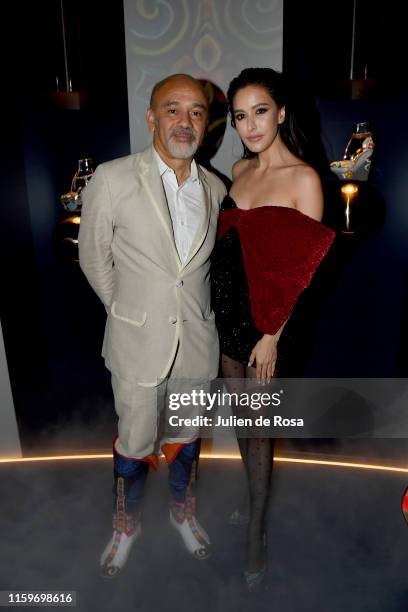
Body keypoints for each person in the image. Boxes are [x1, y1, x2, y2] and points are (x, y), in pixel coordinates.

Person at [79, 74, 226, 577]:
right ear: (151, 117)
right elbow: (93, 259)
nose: (184, 121)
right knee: (135, 443)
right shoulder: (113, 178)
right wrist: (129, 312)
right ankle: (126, 527)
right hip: (137, 344)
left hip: (197, 345)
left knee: (186, 438)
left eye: (196, 112)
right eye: (172, 109)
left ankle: (182, 514)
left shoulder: (216, 188)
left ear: (206, 124)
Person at [211, 67, 335, 591]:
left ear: (281, 112)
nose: (250, 125)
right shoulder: (238, 169)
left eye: (260, 111)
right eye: (240, 115)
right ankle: (250, 495)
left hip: (269, 325)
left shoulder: (305, 179)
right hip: (227, 312)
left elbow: (304, 272)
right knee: (240, 419)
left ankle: (256, 531)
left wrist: (272, 336)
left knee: (259, 428)